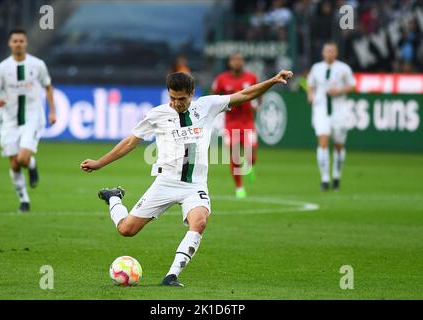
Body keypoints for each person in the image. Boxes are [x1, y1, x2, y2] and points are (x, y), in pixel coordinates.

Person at [80, 70, 293, 287]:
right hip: (165, 183)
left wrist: (273, 81)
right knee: (127, 230)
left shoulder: (207, 106)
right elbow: (129, 143)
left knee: (199, 222)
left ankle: (171, 275)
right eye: (172, 98)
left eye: (181, 99)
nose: (176, 103)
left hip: (194, 186)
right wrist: (99, 163)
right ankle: (114, 198)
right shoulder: (157, 115)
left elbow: (245, 95)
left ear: (191, 94)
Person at [0, 28, 56, 212]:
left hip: (33, 117)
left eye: (21, 41)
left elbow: (48, 87)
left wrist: (52, 111)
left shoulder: (38, 65)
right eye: (15, 41)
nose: (18, 44)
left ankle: (32, 164)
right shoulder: (3, 68)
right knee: (14, 164)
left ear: (25, 43)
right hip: (10, 120)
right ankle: (24, 200)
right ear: (10, 44)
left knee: (23, 158)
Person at [307, 42, 356, 191]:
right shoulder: (316, 68)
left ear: (336, 53)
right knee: (322, 142)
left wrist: (340, 91)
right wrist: (310, 96)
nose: (329, 53)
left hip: (339, 109)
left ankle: (336, 175)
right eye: (327, 51)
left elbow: (352, 86)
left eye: (332, 51)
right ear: (323, 53)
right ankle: (325, 179)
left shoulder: (343, 68)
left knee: (338, 145)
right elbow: (310, 85)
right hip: (321, 108)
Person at [212, 52, 259, 199]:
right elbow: (214, 97)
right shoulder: (222, 79)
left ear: (243, 62)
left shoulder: (251, 78)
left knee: (251, 150)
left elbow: (259, 94)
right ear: (230, 63)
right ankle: (239, 187)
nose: (237, 63)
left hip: (247, 122)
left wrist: (257, 104)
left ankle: (250, 165)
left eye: (240, 60)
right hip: (231, 123)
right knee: (234, 155)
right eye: (234, 60)